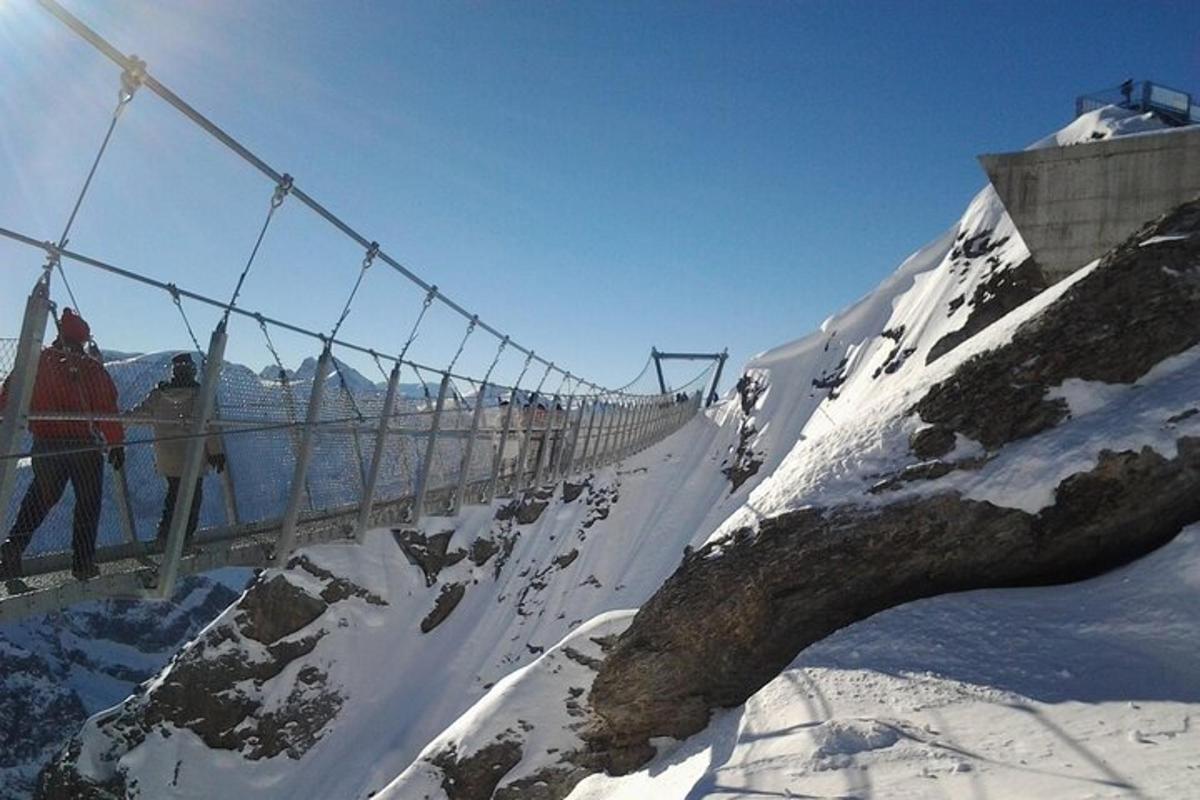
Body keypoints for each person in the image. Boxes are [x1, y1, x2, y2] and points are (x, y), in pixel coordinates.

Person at [0, 309, 124, 581]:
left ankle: (12, 548)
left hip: (46, 445)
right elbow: (107, 409)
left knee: (40, 498)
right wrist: (116, 444)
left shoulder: (37, 362)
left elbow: (8, 395)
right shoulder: (91, 368)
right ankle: (82, 562)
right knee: (88, 503)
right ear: (83, 338)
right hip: (84, 447)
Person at [125, 353, 224, 546]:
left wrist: (119, 421)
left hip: (167, 455)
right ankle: (184, 540)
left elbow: (141, 414)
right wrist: (216, 452)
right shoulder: (199, 395)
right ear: (192, 371)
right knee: (192, 500)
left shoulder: (159, 394)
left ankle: (164, 535)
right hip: (191, 455)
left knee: (173, 496)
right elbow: (206, 424)